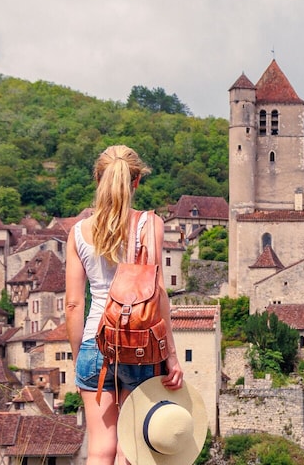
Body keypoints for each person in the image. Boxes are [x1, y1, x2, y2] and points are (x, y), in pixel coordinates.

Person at [64, 145, 185, 465]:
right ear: (136, 182)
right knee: (129, 449)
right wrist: (170, 355)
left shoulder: (78, 232)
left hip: (94, 343)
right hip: (140, 345)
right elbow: (157, 293)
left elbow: (74, 305)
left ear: (97, 180)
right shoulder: (150, 224)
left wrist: (80, 360)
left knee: (99, 450)